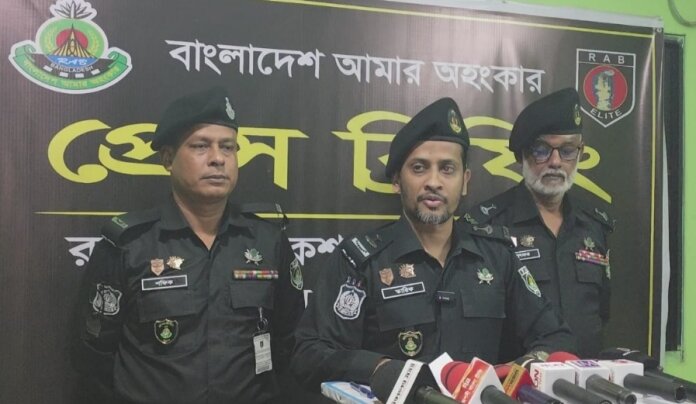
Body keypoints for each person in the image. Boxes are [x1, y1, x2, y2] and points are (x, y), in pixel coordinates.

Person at [290, 97, 576, 394]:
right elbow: (309, 354)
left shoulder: (498, 254)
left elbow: (555, 338)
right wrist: (380, 368)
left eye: (447, 169)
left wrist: (511, 375)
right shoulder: (360, 260)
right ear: (397, 180)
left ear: (465, 181)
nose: (434, 182)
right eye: (419, 168)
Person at [72, 86, 304, 403]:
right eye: (200, 146)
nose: (218, 159)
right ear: (168, 159)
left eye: (228, 147)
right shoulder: (129, 244)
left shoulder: (267, 239)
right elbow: (94, 354)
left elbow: (290, 339)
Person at [465, 87, 613, 359]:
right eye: (542, 150)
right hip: (516, 379)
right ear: (522, 155)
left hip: (587, 378)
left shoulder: (595, 224)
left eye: (567, 150)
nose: (556, 162)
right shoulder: (486, 226)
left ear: (580, 152)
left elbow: (601, 313)